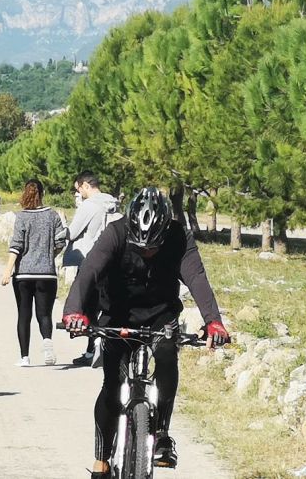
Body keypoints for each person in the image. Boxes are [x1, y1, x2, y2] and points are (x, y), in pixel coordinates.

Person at [62, 187, 230, 477]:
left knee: (167, 354)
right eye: (140, 247)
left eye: (152, 247)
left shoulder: (179, 237)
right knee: (112, 387)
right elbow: (89, 271)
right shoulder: (114, 233)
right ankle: (101, 461)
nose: (146, 252)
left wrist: (213, 321)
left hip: (159, 313)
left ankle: (162, 434)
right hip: (118, 313)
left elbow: (196, 278)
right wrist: (75, 312)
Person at [0, 179, 68, 366]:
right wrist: (49, 256)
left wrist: (8, 271)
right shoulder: (53, 215)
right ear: (43, 193)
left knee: (24, 314)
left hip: (23, 274)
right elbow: (61, 241)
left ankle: (25, 357)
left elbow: (16, 246)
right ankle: (47, 341)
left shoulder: (22, 217)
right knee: (44, 314)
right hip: (46, 273)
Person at [61, 171, 119, 367]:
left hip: (89, 260)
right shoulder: (112, 204)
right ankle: (103, 347)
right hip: (112, 261)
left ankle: (92, 351)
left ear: (85, 185)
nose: (79, 193)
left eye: (79, 189)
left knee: (89, 307)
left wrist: (61, 225)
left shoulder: (89, 206)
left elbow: (72, 232)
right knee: (107, 306)